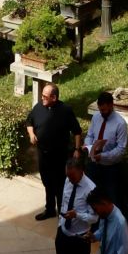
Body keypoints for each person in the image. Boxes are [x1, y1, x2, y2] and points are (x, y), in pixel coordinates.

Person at [26, 81, 82, 220]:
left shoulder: (66, 111)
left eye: (45, 96)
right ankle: (50, 209)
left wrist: (77, 149)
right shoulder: (38, 107)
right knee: (47, 182)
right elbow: (29, 122)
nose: (42, 98)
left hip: (60, 156)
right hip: (43, 154)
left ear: (54, 98)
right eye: (42, 95)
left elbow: (77, 131)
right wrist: (31, 134)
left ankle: (62, 213)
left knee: (60, 185)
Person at [85, 91, 128, 206]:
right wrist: (88, 146)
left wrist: (103, 156)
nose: (102, 113)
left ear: (111, 105)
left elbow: (121, 149)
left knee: (111, 198)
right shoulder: (96, 117)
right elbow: (90, 135)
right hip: (94, 164)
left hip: (110, 168)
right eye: (100, 110)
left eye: (104, 110)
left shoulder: (120, 124)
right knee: (92, 195)